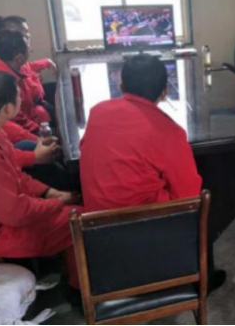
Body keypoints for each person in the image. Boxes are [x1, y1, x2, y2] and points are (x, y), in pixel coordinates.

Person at [80, 54, 226, 291]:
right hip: (145, 236)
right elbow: (188, 195)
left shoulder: (98, 111)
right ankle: (200, 280)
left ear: (121, 85)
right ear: (165, 91)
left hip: (96, 233)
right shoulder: (167, 130)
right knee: (206, 203)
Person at [0, 71, 81, 287]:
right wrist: (57, 204)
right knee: (82, 220)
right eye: (19, 95)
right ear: (7, 108)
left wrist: (50, 193)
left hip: (0, 215)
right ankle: (79, 291)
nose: (22, 98)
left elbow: (16, 175)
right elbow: (14, 213)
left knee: (73, 207)